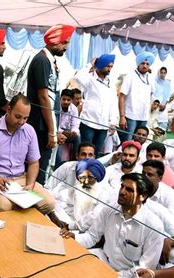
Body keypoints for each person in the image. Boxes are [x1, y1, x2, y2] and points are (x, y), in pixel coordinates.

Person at [0, 94, 58, 221]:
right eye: (18, 117)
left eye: (25, 118)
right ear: (8, 109)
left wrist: (30, 184)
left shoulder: (29, 131)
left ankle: (22, 227)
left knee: (49, 203)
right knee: (4, 207)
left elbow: (34, 163)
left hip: (21, 178)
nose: (21, 122)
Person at [70, 173, 164, 278]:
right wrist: (74, 238)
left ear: (143, 196)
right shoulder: (109, 210)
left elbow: (143, 269)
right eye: (122, 186)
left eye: (129, 190)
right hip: (103, 262)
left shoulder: (154, 226)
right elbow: (92, 236)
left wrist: (113, 276)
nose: (122, 192)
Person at [26, 24, 75, 184]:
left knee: (43, 166)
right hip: (41, 125)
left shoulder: (48, 60)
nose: (66, 47)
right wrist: (52, 131)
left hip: (46, 124)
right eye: (64, 43)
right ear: (55, 41)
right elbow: (44, 97)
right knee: (39, 167)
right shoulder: (42, 61)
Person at [141, 160, 174, 265]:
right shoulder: (139, 190)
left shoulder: (169, 195)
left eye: (150, 174)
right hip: (150, 233)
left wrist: (168, 241)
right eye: (143, 174)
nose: (144, 177)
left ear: (160, 178)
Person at [73, 53, 118, 154]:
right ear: (100, 65)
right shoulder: (89, 78)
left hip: (103, 124)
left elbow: (113, 103)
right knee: (85, 151)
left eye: (111, 66)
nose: (109, 69)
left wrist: (113, 122)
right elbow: (77, 77)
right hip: (88, 122)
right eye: (107, 66)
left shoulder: (111, 82)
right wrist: (90, 65)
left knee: (96, 152)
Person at [51, 158, 107, 231]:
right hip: (70, 226)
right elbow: (57, 197)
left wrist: (70, 226)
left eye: (90, 177)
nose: (86, 182)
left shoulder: (103, 194)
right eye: (83, 177)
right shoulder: (78, 187)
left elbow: (94, 217)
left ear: (97, 178)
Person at [118, 51, 155, 142]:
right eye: (142, 63)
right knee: (127, 141)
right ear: (138, 63)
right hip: (130, 116)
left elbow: (151, 94)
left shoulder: (150, 78)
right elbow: (121, 96)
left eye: (147, 64)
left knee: (140, 142)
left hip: (143, 117)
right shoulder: (130, 76)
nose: (145, 66)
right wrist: (122, 116)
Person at [55, 89, 80, 167]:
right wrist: (62, 132)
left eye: (68, 100)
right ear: (60, 98)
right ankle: (58, 166)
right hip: (57, 132)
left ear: (71, 100)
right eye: (64, 99)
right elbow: (54, 125)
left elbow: (75, 125)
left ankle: (76, 162)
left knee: (78, 137)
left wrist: (73, 132)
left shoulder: (74, 109)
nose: (66, 102)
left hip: (68, 133)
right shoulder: (56, 106)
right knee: (57, 146)